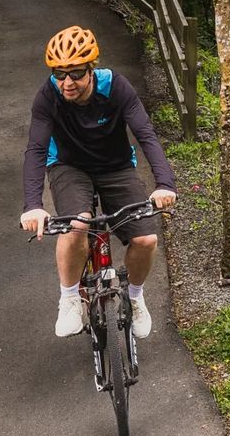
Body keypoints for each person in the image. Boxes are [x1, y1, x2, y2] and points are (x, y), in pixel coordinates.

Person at [19, 25, 176, 339]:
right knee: (77, 225)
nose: (67, 82)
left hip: (115, 166)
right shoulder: (48, 96)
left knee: (146, 239)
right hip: (68, 166)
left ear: (92, 69)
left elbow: (145, 135)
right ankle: (69, 299)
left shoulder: (116, 88)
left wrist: (165, 184)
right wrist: (33, 206)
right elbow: (36, 149)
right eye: (59, 73)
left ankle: (135, 299)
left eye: (75, 73)